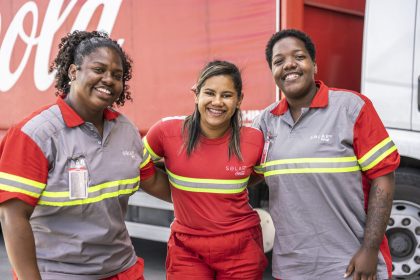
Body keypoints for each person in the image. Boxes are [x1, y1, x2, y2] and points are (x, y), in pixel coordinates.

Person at [0, 30, 170, 280]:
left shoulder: (126, 130)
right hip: (58, 273)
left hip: (122, 269)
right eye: (99, 69)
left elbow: (153, 181)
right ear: (73, 72)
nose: (108, 79)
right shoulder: (35, 134)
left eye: (117, 75)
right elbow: (12, 216)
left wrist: (215, 193)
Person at [253, 29, 400, 280]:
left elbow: (384, 177)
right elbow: (235, 177)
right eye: (279, 61)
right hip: (291, 268)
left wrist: (370, 248)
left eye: (298, 57)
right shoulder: (265, 122)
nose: (289, 64)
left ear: (314, 65)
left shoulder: (351, 108)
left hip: (349, 265)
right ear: (273, 72)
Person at [144, 60, 268, 280]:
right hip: (186, 248)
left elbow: (256, 176)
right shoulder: (165, 132)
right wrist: (183, 195)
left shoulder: (254, 140)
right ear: (196, 95)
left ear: (239, 100)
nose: (217, 102)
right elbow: (139, 166)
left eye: (227, 95)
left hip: (242, 247)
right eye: (209, 93)